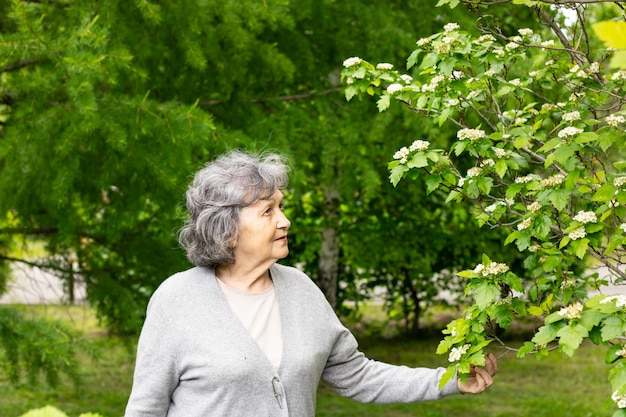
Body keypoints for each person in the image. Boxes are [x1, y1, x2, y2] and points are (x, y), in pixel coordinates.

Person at [124, 150, 498, 417]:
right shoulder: (178, 300)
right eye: (268, 211)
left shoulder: (300, 290)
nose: (284, 220)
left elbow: (358, 375)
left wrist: (449, 380)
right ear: (228, 229)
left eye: (281, 207)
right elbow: (146, 408)